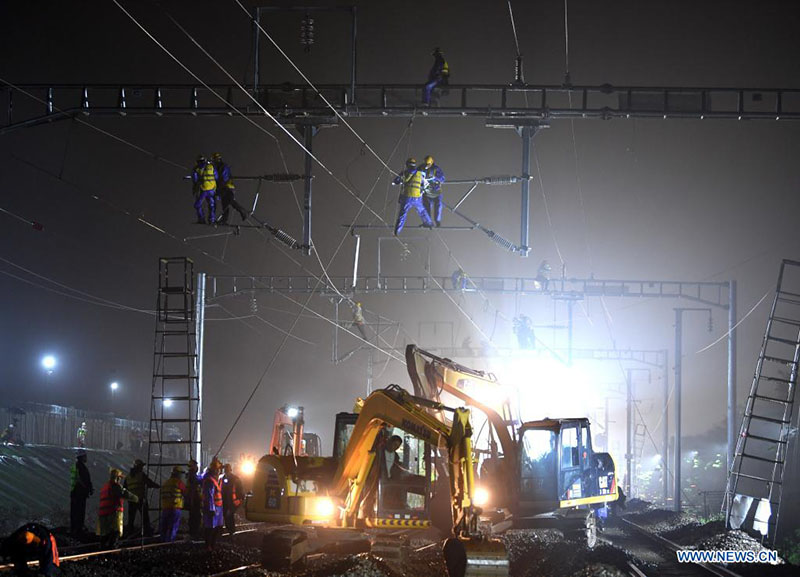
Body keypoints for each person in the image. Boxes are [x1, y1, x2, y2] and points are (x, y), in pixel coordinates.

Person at [97, 468, 138, 548]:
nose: (120, 480)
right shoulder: (115, 486)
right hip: (113, 512)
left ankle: (102, 548)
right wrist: (137, 499)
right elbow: (125, 494)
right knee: (116, 531)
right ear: (117, 477)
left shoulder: (105, 487)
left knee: (105, 533)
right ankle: (112, 547)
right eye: (120, 478)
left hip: (102, 514)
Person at [392, 158, 433, 235]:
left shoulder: (405, 173)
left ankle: (397, 231)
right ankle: (429, 224)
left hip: (407, 197)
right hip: (417, 197)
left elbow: (396, 181)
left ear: (407, 165)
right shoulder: (420, 173)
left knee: (402, 214)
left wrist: (395, 182)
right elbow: (425, 184)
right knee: (422, 211)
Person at [124, 459, 160, 536]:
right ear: (139, 467)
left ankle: (129, 533)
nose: (142, 468)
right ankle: (147, 533)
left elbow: (124, 489)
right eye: (141, 466)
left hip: (131, 500)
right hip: (140, 499)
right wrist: (158, 486)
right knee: (145, 517)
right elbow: (149, 483)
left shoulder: (128, 477)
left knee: (131, 519)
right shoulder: (141, 475)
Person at [212, 152, 248, 224]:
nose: (216, 161)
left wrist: (219, 187)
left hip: (227, 187)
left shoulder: (223, 167)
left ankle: (243, 211)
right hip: (223, 188)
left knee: (230, 201)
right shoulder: (217, 168)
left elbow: (223, 178)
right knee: (225, 204)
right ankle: (224, 220)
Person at [69, 450, 93, 537]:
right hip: (79, 492)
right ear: (82, 457)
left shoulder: (76, 466)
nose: (86, 458)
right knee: (79, 511)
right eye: (85, 456)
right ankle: (78, 529)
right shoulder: (80, 467)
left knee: (75, 511)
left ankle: (75, 528)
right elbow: (80, 479)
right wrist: (87, 488)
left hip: (75, 492)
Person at [202, 458, 224, 550]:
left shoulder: (215, 480)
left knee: (217, 528)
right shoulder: (210, 481)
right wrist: (212, 509)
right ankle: (208, 546)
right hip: (212, 508)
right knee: (210, 528)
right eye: (219, 469)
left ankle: (213, 545)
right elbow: (209, 496)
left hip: (218, 508)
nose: (220, 471)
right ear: (215, 470)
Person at [159, 467, 186, 543]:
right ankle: (169, 543)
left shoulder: (165, 483)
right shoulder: (179, 483)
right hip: (175, 508)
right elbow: (185, 493)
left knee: (164, 527)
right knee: (172, 527)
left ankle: (162, 542)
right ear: (178, 474)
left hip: (165, 508)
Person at [191, 154, 218, 224]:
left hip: (204, 190)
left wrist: (195, 189)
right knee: (211, 204)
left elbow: (195, 180)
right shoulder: (211, 166)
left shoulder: (196, 169)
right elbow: (216, 176)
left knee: (197, 205)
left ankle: (201, 219)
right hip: (212, 189)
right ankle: (211, 219)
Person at [420, 155, 445, 227]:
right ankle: (428, 223)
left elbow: (442, 179)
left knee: (438, 208)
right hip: (427, 193)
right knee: (426, 208)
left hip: (436, 192)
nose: (426, 166)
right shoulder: (421, 168)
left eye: (428, 164)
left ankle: (437, 222)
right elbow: (416, 174)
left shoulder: (436, 169)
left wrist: (435, 178)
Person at [221, 463, 244, 536]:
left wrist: (240, 499)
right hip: (225, 500)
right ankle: (230, 530)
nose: (226, 471)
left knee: (229, 514)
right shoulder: (223, 478)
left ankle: (231, 530)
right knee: (226, 515)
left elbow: (240, 490)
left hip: (232, 501)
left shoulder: (235, 479)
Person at [185, 459, 203, 539]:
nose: (197, 467)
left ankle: (193, 532)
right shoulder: (192, 475)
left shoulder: (190, 475)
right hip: (194, 499)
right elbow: (198, 482)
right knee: (195, 516)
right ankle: (194, 532)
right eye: (196, 466)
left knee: (194, 515)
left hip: (193, 498)